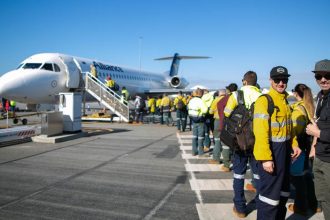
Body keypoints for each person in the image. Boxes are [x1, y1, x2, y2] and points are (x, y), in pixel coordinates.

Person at [253, 66, 301, 220]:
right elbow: (260, 133)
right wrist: (266, 158)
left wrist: (294, 144)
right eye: (277, 80)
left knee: (283, 194)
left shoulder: (285, 100)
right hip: (272, 153)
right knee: (269, 199)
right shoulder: (264, 101)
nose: (281, 83)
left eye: (284, 80)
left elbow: (288, 128)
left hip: (285, 152)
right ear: (270, 80)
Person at [224, 71, 262, 218]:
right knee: (257, 174)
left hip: (240, 141)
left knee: (239, 175)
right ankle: (260, 202)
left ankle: (240, 208)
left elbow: (227, 114)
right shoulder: (262, 97)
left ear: (245, 81)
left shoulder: (236, 95)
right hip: (256, 141)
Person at [288, 83, 318, 215]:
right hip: (308, 146)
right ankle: (314, 204)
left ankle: (300, 206)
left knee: (297, 178)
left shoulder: (298, 110)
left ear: (296, 94)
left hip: (299, 148)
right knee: (307, 177)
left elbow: (294, 131)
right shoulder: (310, 106)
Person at [306, 59, 330, 219]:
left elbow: (318, 130)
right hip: (320, 156)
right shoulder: (321, 96)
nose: (322, 79)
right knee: (324, 198)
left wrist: (317, 134)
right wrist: (314, 146)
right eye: (318, 76)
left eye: (327, 75)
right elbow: (319, 123)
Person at [208, 89, 227, 164]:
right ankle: (227, 159)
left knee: (217, 140)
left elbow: (210, 111)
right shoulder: (228, 99)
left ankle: (216, 158)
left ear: (219, 94)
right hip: (227, 121)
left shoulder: (216, 100)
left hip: (218, 120)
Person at [188, 88, 208, 157]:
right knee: (200, 137)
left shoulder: (191, 100)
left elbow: (188, 108)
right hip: (200, 120)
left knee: (194, 136)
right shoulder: (200, 101)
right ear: (201, 94)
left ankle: (194, 151)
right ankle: (201, 153)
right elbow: (205, 110)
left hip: (193, 120)